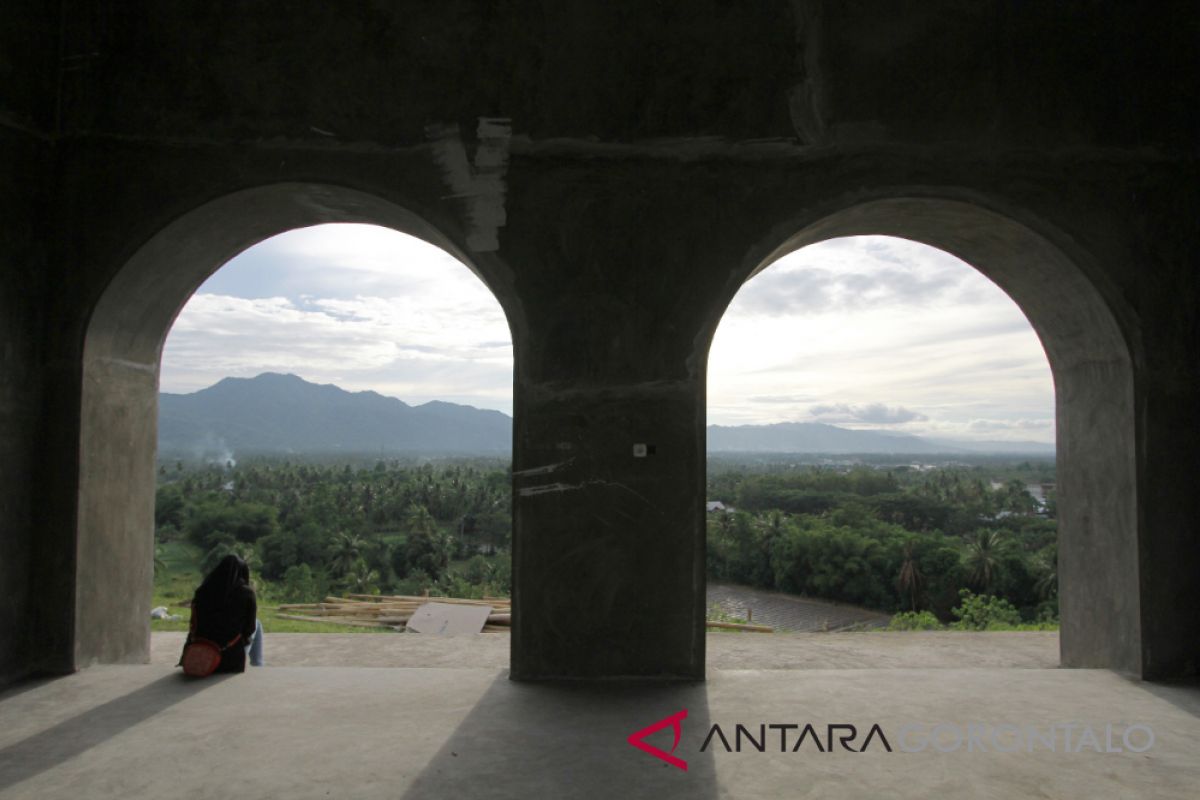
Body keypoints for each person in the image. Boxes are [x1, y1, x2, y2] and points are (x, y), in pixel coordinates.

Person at [182, 554, 264, 671]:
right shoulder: (246, 593)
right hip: (229, 658)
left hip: (201, 652)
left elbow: (194, 624)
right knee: (257, 624)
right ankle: (259, 665)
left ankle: (259, 664)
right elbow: (249, 629)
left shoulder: (202, 592)